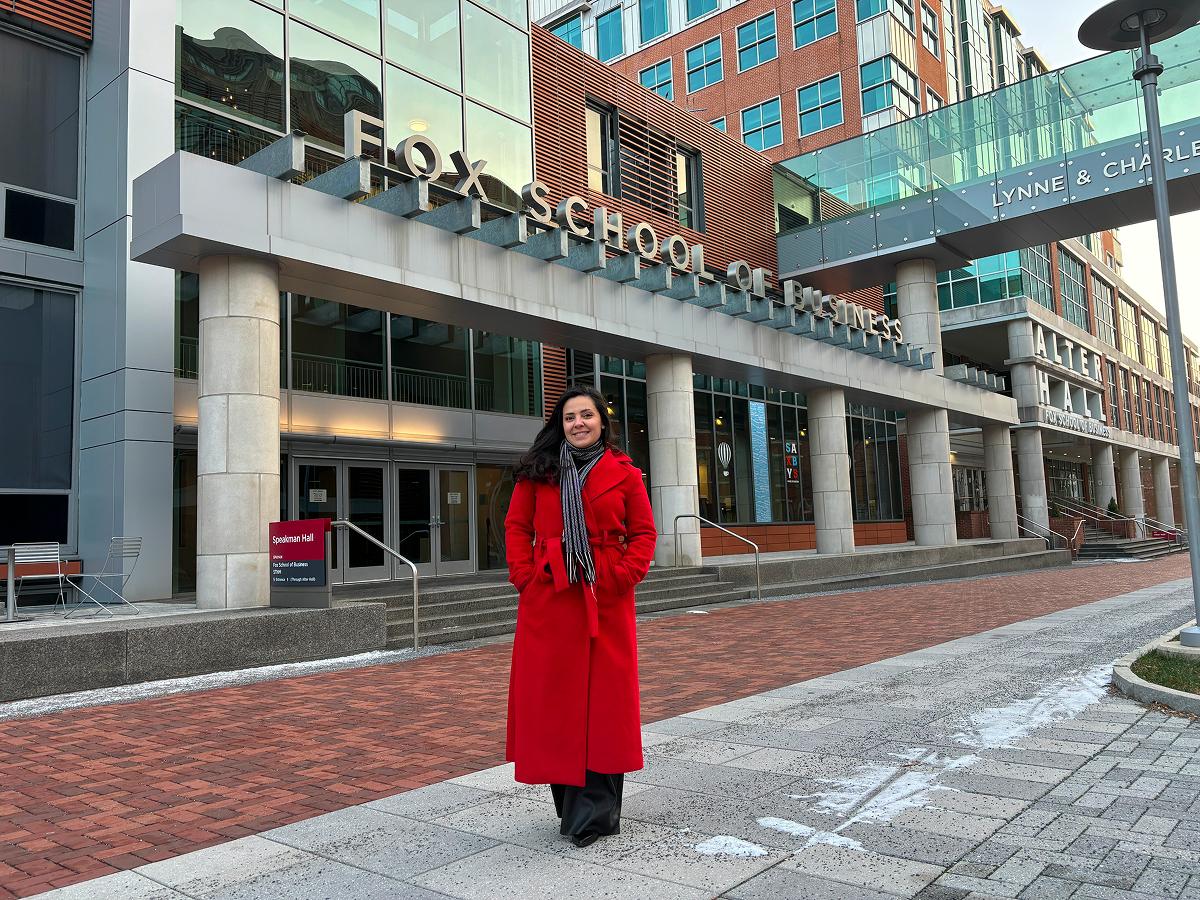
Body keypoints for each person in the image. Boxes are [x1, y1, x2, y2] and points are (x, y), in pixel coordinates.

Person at [504, 385, 657, 847]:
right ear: (560, 425)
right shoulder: (538, 473)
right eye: (570, 418)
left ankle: (597, 814)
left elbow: (644, 533)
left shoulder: (625, 474)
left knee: (604, 706)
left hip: (604, 599)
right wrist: (527, 578)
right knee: (556, 705)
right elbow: (516, 527)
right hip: (550, 600)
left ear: (602, 422)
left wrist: (620, 576)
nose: (578, 424)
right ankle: (571, 807)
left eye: (586, 415)